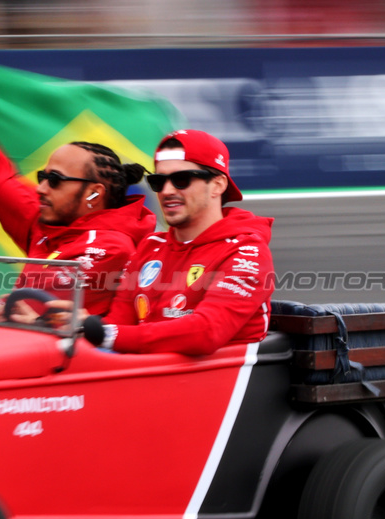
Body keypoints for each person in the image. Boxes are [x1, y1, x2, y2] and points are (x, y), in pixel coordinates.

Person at [0, 32, 155, 315]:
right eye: (43, 178)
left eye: (55, 181)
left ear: (94, 192)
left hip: (77, 356)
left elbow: (33, 307)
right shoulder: (46, 222)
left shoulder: (112, 248)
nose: (41, 188)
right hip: (32, 347)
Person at [95, 129, 274, 355]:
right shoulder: (150, 245)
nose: (167, 191)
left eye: (181, 180)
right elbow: (118, 322)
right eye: (158, 181)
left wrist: (104, 335)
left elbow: (205, 332)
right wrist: (75, 327)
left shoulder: (247, 252)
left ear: (218, 185)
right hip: (153, 379)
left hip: (219, 385)